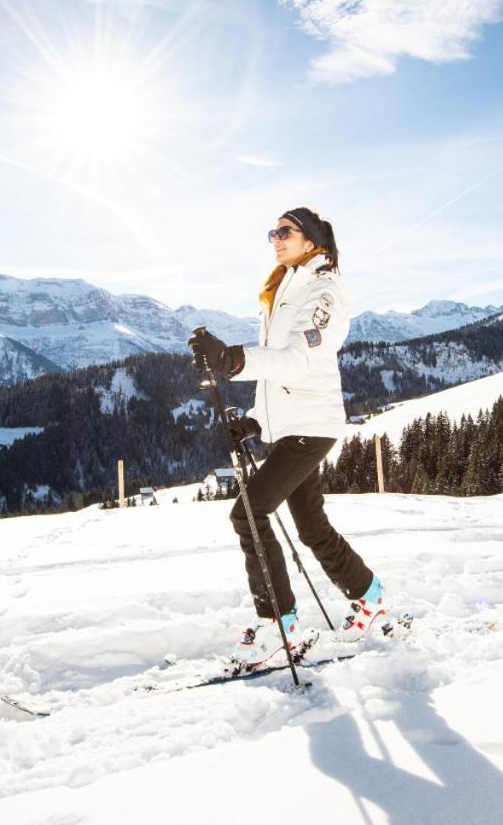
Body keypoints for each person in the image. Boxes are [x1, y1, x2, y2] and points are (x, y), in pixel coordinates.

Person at [188, 207, 387, 667]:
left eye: (286, 231)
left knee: (248, 513)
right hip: (295, 427)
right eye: (272, 232)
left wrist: (233, 360)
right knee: (312, 528)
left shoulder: (324, 291)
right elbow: (280, 374)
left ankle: (280, 626)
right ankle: (371, 600)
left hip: (311, 429)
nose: (275, 239)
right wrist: (257, 421)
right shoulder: (285, 287)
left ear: (312, 239)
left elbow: (299, 360)